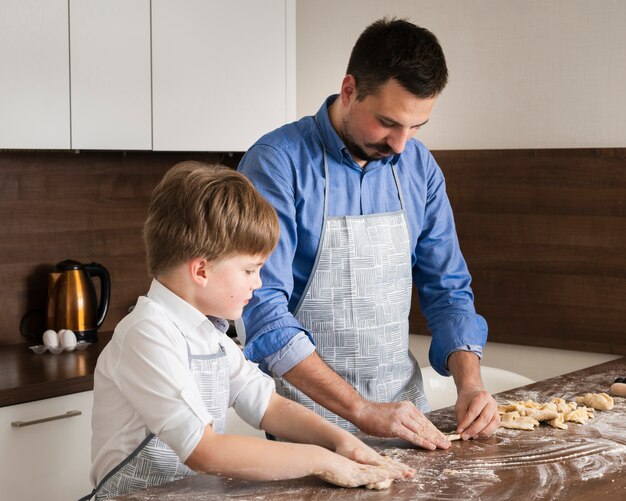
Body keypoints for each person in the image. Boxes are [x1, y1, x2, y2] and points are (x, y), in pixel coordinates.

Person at [237, 17, 499, 450]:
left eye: (416, 128)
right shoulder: (276, 164)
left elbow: (449, 290)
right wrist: (360, 410)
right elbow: (263, 309)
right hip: (309, 425)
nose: (401, 144)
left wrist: (469, 384)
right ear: (349, 90)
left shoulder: (419, 168)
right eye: (387, 122)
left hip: (409, 419)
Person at [82, 162, 414, 500]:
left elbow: (268, 406)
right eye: (250, 269)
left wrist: (342, 441)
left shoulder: (211, 334)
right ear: (201, 270)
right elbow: (205, 451)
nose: (258, 283)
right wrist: (321, 461)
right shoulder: (147, 334)